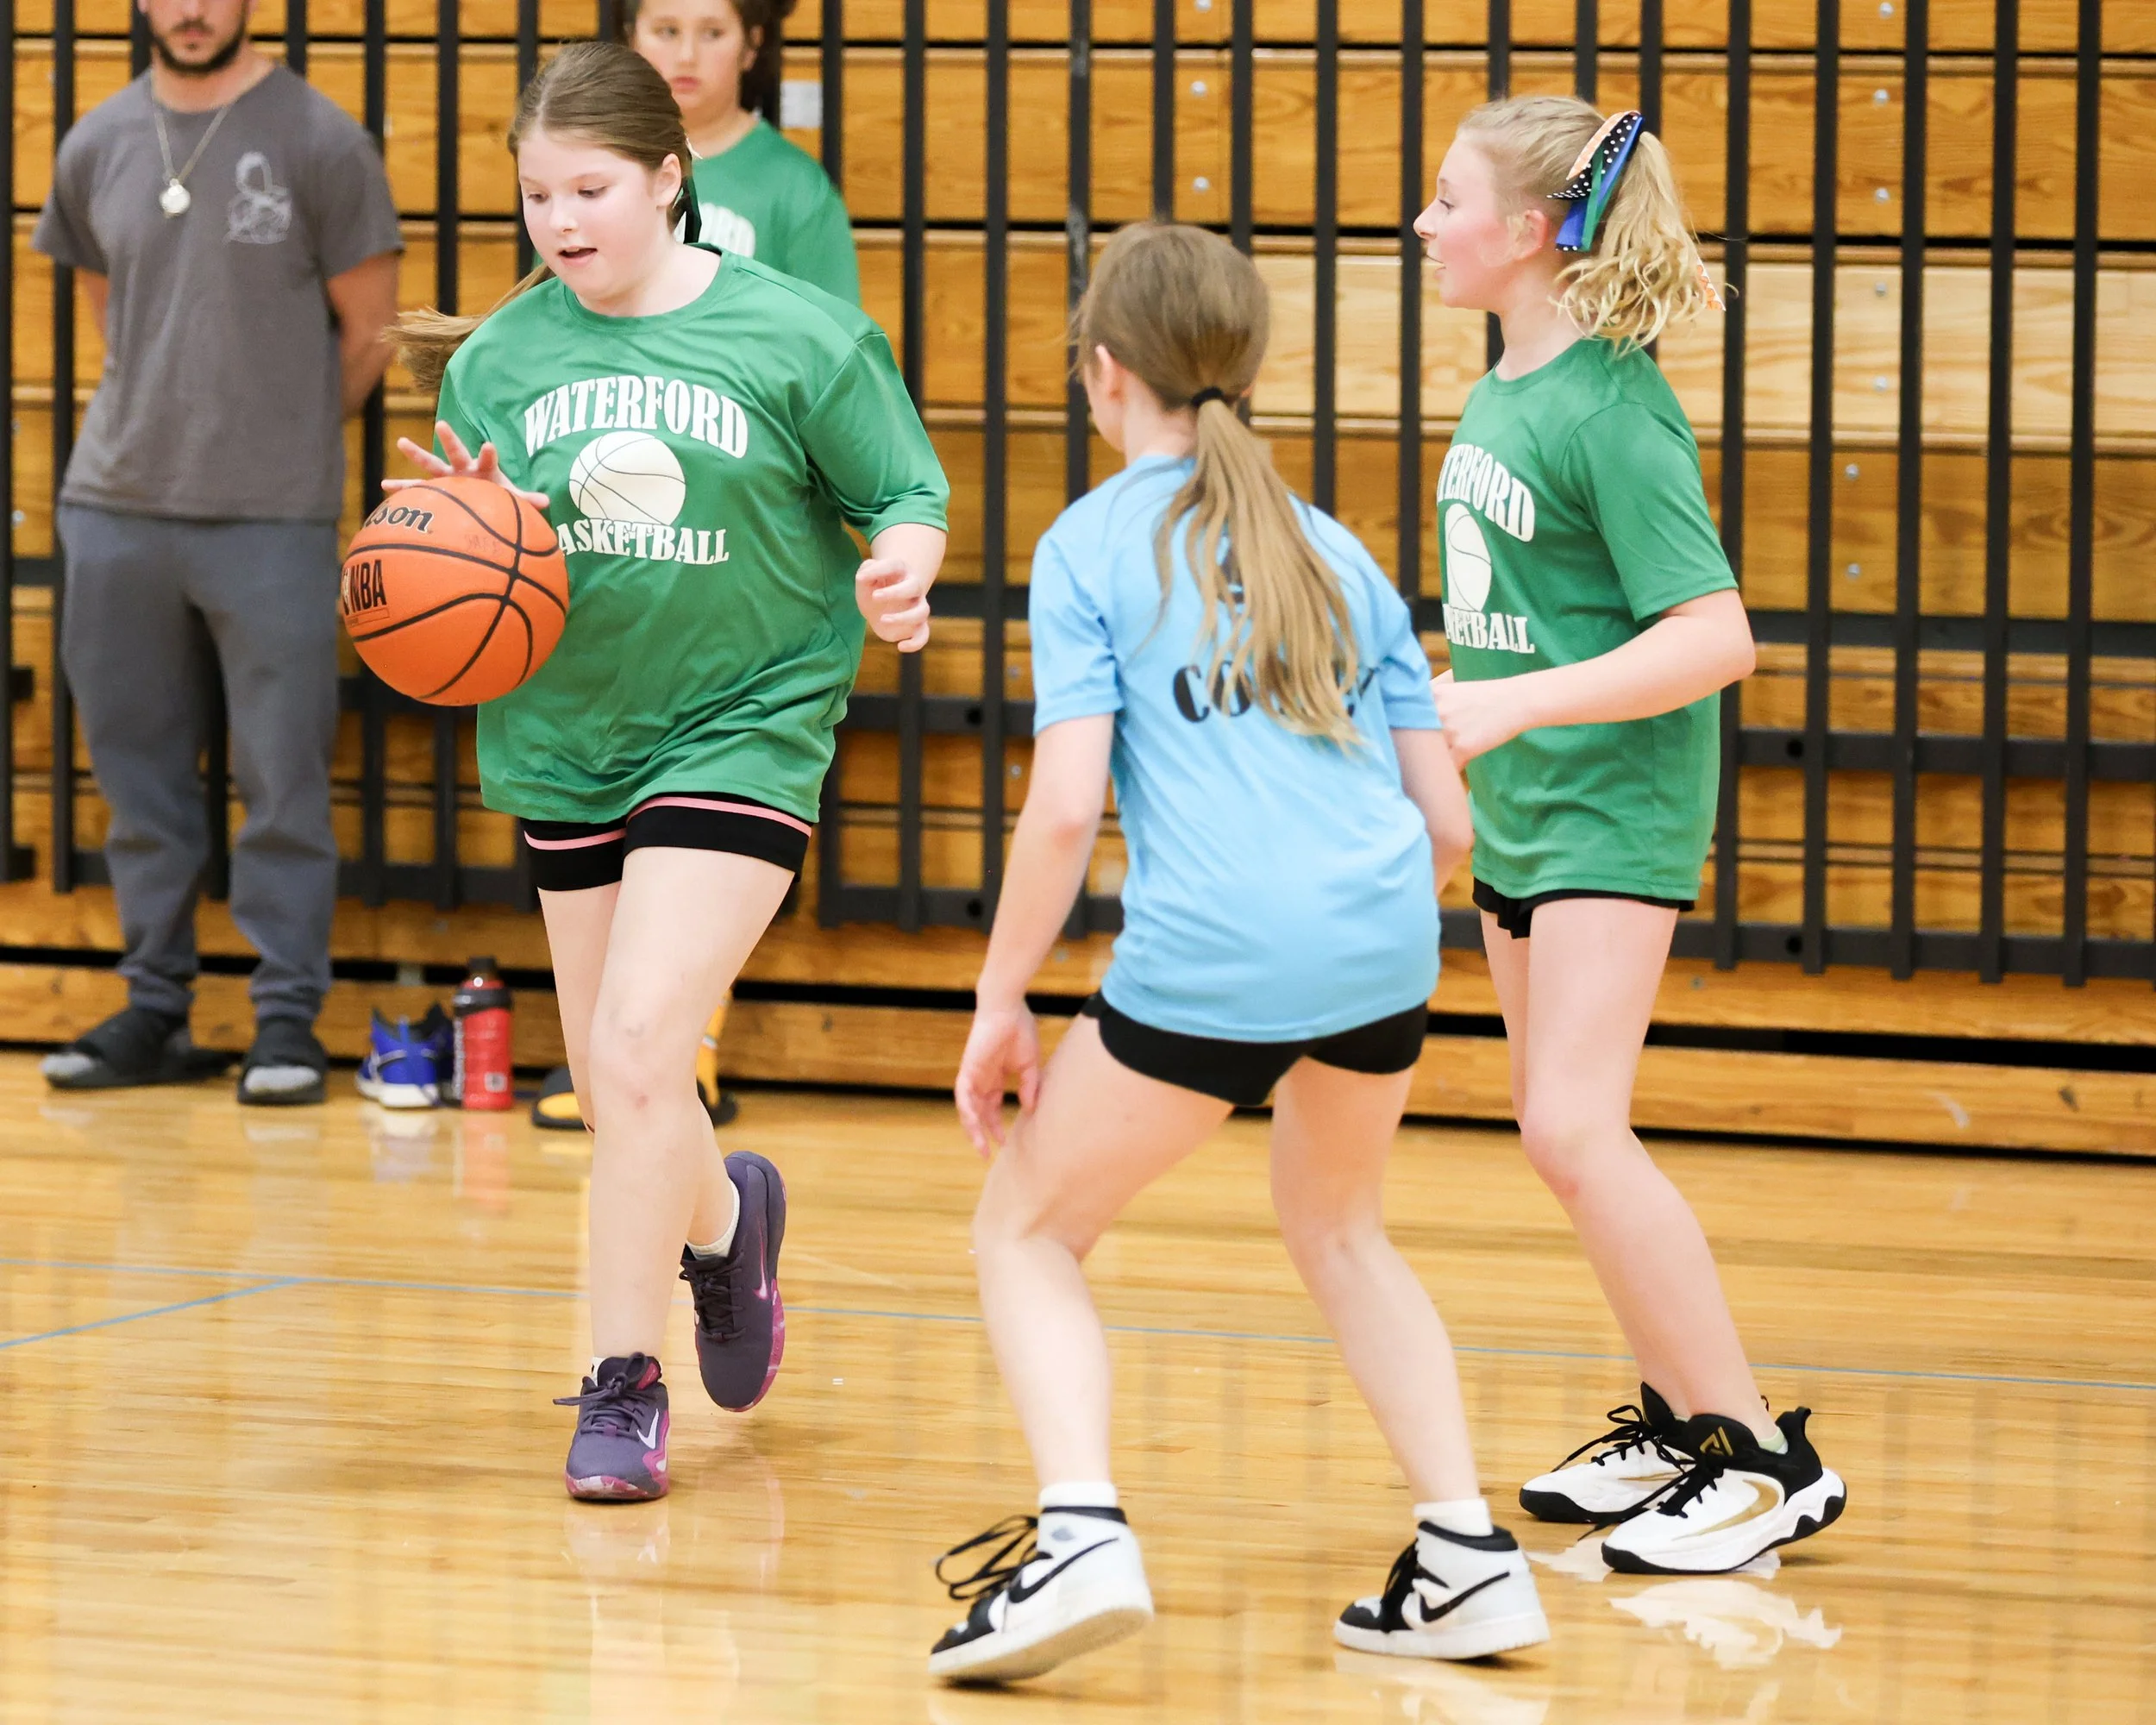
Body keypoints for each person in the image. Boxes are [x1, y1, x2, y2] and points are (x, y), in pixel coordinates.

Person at [931, 221, 1548, 1684]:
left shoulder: (1088, 544)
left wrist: (999, 993)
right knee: (1342, 1231)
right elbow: (1451, 826)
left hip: (1220, 946)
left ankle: (1080, 1529)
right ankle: (1466, 1554)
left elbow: (1070, 801)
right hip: (1383, 943)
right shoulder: (1331, 547)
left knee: (1025, 1231)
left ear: (1103, 374)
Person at [387, 40, 948, 1501]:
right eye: (538, 196)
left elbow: (905, 492)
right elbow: (480, 545)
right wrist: (449, 540)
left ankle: (619, 1386)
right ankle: (724, 1225)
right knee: (621, 1081)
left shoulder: (798, 338)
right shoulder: (504, 357)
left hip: (748, 720)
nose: (563, 221)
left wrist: (902, 569)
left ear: (667, 179)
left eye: (592, 189)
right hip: (573, 735)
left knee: (641, 1052)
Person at [1413, 96, 1846, 1573]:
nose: (1426, 224)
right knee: (1561, 1137)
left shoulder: (1611, 403)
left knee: (1572, 1125)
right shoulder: (1505, 389)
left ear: (1531, 232)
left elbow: (1717, 635)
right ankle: (1674, 1420)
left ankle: (1759, 1457)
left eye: (1449, 200)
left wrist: (1516, 702)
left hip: (1616, 802)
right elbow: (1528, 611)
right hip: (1533, 804)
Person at [32, 0, 403, 1105]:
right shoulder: (95, 141)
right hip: (116, 507)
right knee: (137, 780)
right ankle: (155, 1006)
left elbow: (370, 334)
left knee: (281, 779)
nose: (190, 8)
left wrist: (271, 440)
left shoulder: (323, 140)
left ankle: (286, 1018)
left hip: (271, 515)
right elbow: (114, 311)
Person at [527, 0, 856, 1138]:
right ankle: (671, 1133)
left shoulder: (791, 191)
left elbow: (836, 370)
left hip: (737, 576)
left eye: (708, 29)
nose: (682, 51)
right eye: (660, 28)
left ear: (750, 45)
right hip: (612, 588)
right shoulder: (577, 207)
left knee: (678, 921)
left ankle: (683, 1051)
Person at [627, 0, 857, 303]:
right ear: (632, 38)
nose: (686, 56)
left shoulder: (797, 187)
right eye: (667, 31)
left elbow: (836, 340)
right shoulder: (588, 167)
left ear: (751, 45)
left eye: (712, 33)